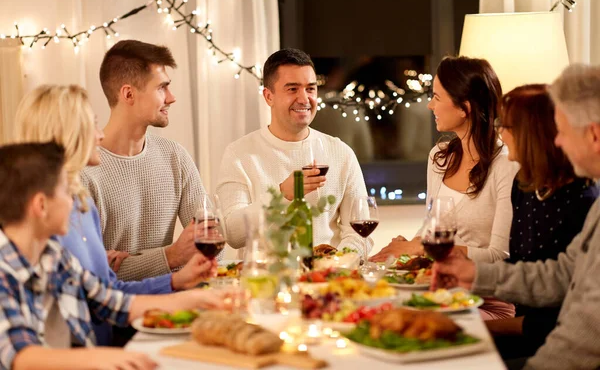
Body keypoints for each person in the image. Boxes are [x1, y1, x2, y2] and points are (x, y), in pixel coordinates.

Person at [13, 84, 220, 345]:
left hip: (106, 344)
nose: (100, 135)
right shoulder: (34, 221)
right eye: (93, 125)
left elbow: (107, 294)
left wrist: (178, 280)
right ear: (69, 134)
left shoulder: (82, 205)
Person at [0, 142, 231, 370]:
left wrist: (195, 300)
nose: (74, 201)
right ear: (41, 206)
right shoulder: (4, 270)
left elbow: (111, 302)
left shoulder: (55, 256)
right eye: (65, 191)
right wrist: (99, 358)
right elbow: (21, 355)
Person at [432, 64, 600, 370]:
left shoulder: (586, 200)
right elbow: (563, 273)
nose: (557, 142)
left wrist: (480, 327)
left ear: (594, 135)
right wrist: (473, 274)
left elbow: (585, 335)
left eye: (561, 131)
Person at [371, 56, 519, 319]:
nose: (429, 105)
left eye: (437, 97)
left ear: (464, 108)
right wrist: (408, 247)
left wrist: (420, 247)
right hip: (439, 292)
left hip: (485, 301)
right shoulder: (440, 156)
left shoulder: (506, 165)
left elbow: (499, 255)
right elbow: (431, 229)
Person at [216, 48, 371, 257]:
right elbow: (232, 234)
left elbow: (359, 233)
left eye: (310, 89)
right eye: (292, 89)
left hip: (327, 280)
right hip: (262, 281)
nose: (304, 99)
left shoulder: (341, 153)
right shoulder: (239, 154)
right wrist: (282, 195)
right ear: (268, 96)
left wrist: (337, 265)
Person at [81, 40, 212, 282]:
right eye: (162, 88)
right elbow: (93, 274)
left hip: (174, 305)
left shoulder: (175, 156)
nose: (171, 98)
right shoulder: (84, 171)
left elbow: (211, 240)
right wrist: (170, 257)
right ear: (129, 94)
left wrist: (136, 262)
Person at [486, 84, 598, 359]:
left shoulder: (584, 203)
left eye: (506, 125)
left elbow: (567, 317)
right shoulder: (523, 186)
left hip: (549, 342)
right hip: (522, 327)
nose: (500, 133)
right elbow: (523, 273)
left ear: (532, 134)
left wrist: (487, 327)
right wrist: (467, 277)